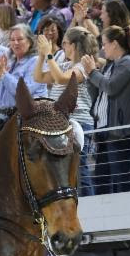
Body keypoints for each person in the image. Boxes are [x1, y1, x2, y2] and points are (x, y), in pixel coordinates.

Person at [35, 26, 97, 193]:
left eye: (65, 43)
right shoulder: (63, 65)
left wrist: (49, 54)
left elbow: (63, 79)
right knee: (64, 170)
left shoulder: (83, 65)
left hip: (80, 123)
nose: (63, 47)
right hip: (60, 124)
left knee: (80, 168)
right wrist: (42, 56)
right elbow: (38, 77)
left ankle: (89, 202)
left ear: (74, 45)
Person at [83, 26, 130, 194]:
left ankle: (128, 215)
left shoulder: (128, 63)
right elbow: (97, 91)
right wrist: (89, 75)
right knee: (101, 179)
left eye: (105, 44)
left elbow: (111, 87)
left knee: (120, 177)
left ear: (114, 44)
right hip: (105, 129)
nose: (102, 48)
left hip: (119, 130)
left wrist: (93, 72)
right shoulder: (110, 66)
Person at [0, 24, 47, 110]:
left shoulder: (37, 62)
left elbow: (24, 92)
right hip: (3, 115)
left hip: (29, 116)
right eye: (12, 40)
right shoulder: (10, 62)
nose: (15, 43)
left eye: (20, 39)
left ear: (30, 41)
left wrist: (3, 73)